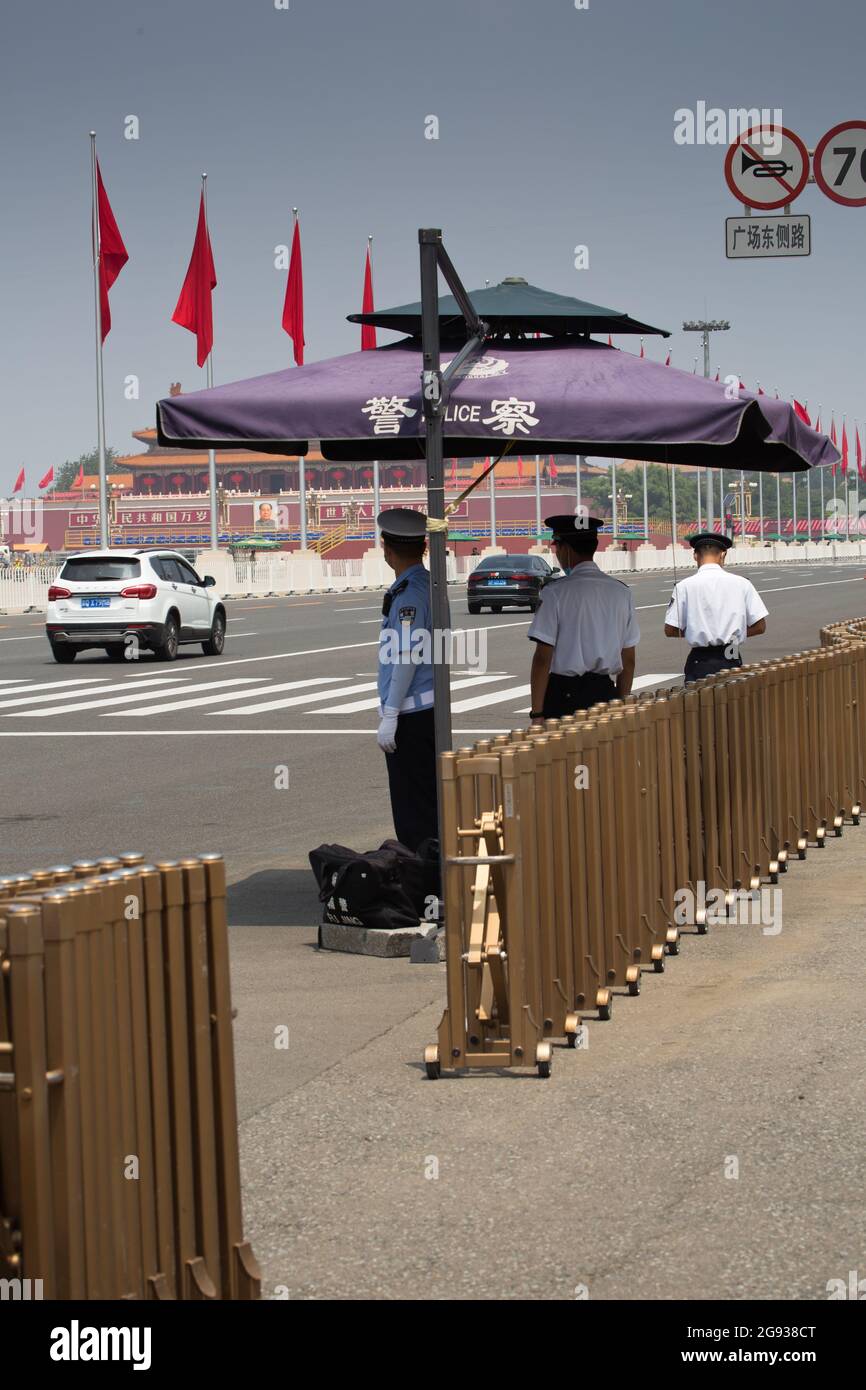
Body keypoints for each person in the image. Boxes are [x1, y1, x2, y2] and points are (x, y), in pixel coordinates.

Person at [528, 514, 640, 721]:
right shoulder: (621, 592)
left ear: (566, 549)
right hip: (605, 694)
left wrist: (537, 712)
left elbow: (543, 658)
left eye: (557, 548)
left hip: (564, 697)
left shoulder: (554, 593)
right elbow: (629, 659)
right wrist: (622, 701)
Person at [376, 508, 439, 850]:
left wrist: (390, 714)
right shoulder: (425, 584)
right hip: (424, 711)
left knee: (414, 814)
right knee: (427, 804)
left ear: (387, 548)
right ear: (423, 546)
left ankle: (427, 887)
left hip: (411, 716)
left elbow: (406, 656)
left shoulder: (410, 595)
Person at [664, 531, 768, 682]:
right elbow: (760, 626)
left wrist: (695, 630)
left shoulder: (684, 586)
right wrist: (734, 634)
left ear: (695, 556)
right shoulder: (742, 583)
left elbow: (670, 630)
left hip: (700, 661)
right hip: (731, 655)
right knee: (732, 703)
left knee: (699, 704)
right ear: (723, 555)